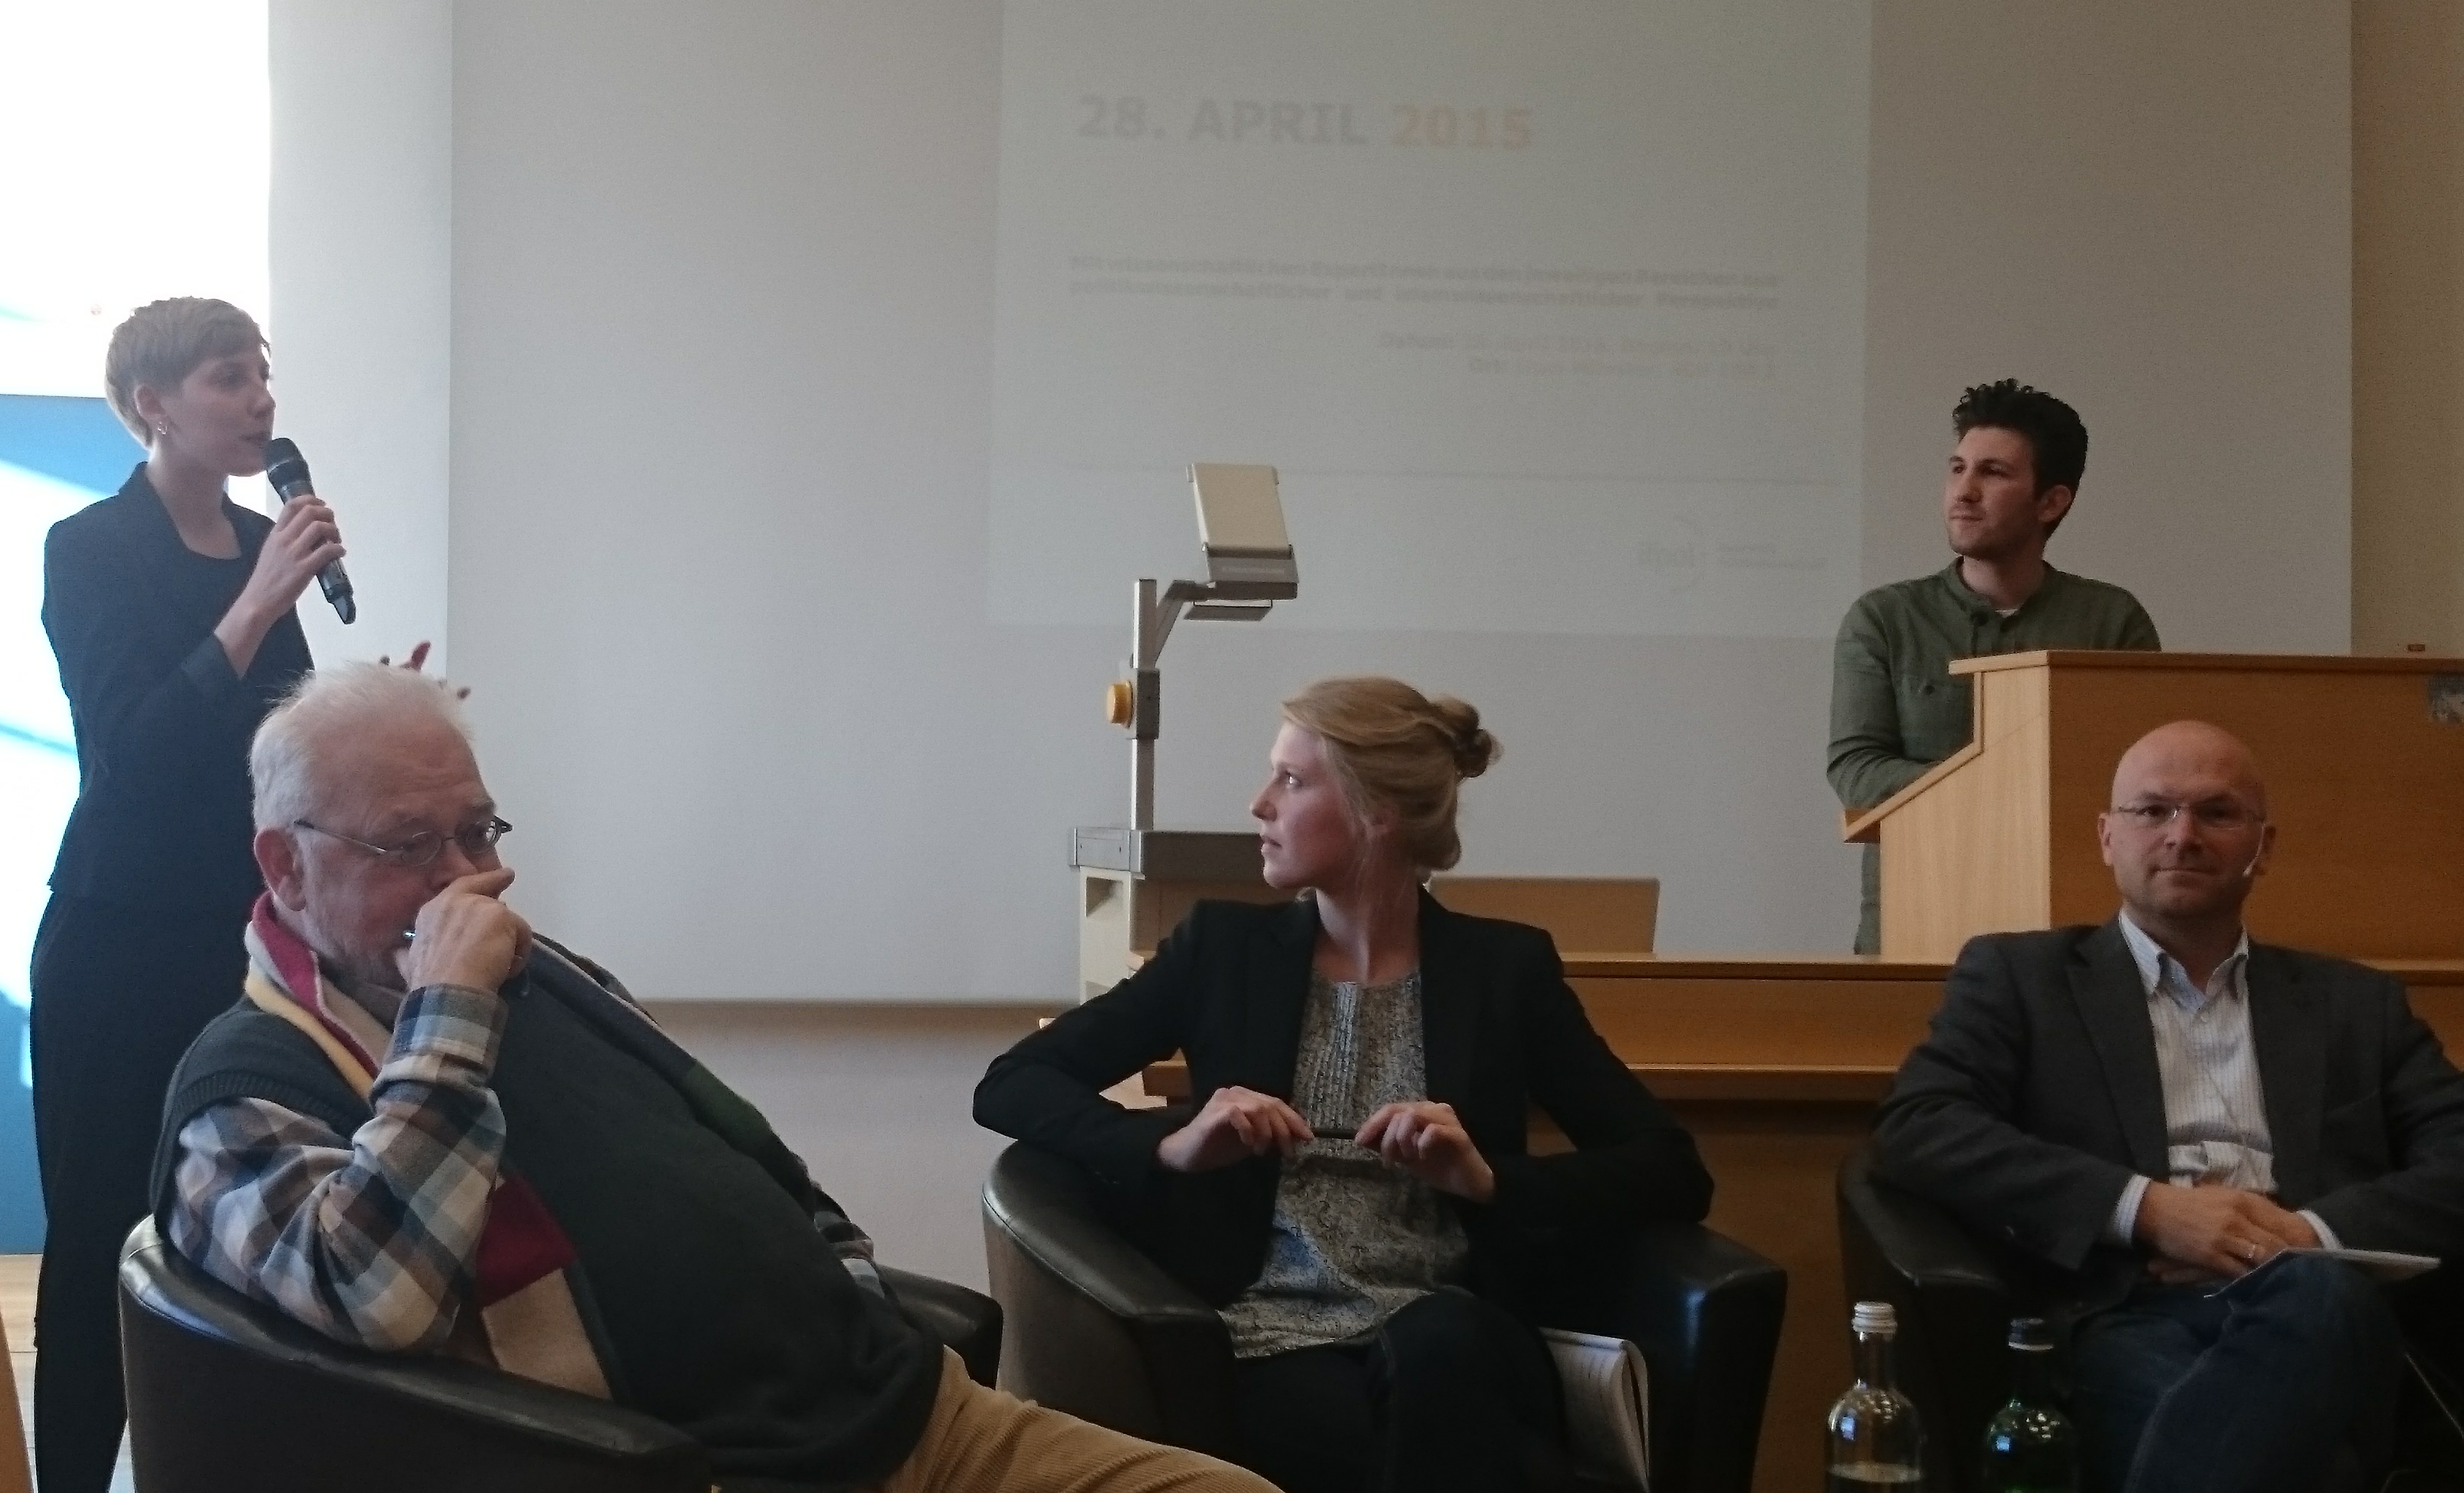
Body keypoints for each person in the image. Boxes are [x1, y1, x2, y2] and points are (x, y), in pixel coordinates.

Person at [153, 662, 1280, 1493]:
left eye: (478, 832)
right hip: (694, 1472)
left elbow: (741, 1155)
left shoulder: (554, 978)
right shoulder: (245, 1086)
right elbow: (374, 1295)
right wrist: (451, 1014)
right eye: (409, 845)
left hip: (910, 1412)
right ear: (285, 865)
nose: (468, 881)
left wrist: (853, 1287)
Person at [974, 677, 1714, 1493]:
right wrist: (1173, 1145)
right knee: (1439, 1442)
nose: (1259, 804)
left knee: (1440, 1348)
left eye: (1291, 780)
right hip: (1271, 1339)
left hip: (1460, 1331)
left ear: (1376, 812)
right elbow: (1012, 1083)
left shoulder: (1505, 971)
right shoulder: (1220, 951)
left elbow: (1671, 1167)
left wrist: (1490, 1181)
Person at [1873, 720, 2464, 1493]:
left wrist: (2304, 1236)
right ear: (2107, 837)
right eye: (2153, 811)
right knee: (2314, 1465)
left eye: (2216, 813)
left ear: (2263, 846)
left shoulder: (2355, 1005)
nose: (2182, 835)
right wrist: (2148, 1209)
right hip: (2127, 1308)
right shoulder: (2020, 979)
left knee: (2319, 1295)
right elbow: (1919, 1127)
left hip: (2325, 1308)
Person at [27, 297, 352, 1491]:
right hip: (119, 942)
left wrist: (367, 721)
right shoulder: (89, 547)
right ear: (152, 404)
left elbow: (277, 744)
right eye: (229, 378)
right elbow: (133, 749)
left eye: (263, 375)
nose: (261, 400)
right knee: (100, 1236)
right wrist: (259, 599)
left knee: (248, 1234)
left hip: (249, 944)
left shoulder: (264, 541)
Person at [1829, 380, 2159, 953]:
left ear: (2051, 502)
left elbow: (2141, 779)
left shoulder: (2112, 622)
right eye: (1957, 468)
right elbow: (1856, 769)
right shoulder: (1885, 618)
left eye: (1993, 473)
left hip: (2067, 929)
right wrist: (2004, 790)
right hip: (1917, 919)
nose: (1964, 490)